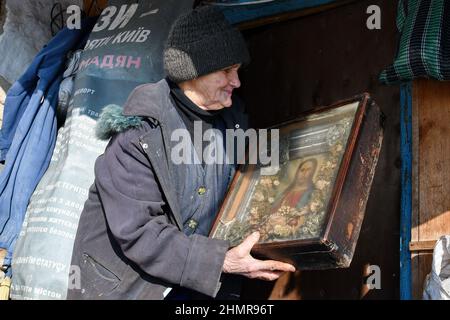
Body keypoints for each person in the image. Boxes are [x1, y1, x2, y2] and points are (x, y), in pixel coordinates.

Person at [67, 6, 295, 300]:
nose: (236, 82)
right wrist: (222, 261)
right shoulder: (139, 134)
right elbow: (137, 231)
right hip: (130, 286)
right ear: (193, 72)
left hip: (195, 284)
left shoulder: (232, 119)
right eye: (226, 71)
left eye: (237, 71)